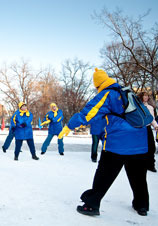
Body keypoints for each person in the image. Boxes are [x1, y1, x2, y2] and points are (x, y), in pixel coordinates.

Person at [59, 68, 150, 216]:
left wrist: (69, 125)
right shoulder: (127, 92)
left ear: (98, 85)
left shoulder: (107, 94)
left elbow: (88, 113)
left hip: (118, 141)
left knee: (104, 174)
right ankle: (142, 205)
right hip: (140, 139)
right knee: (138, 175)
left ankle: (91, 205)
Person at [138, 92, 158, 172]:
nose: (146, 97)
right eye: (144, 96)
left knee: (151, 147)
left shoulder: (150, 107)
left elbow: (152, 119)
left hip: (147, 128)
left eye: (147, 96)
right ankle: (140, 164)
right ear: (141, 97)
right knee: (140, 146)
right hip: (139, 128)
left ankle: (151, 165)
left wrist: (155, 125)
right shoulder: (138, 106)